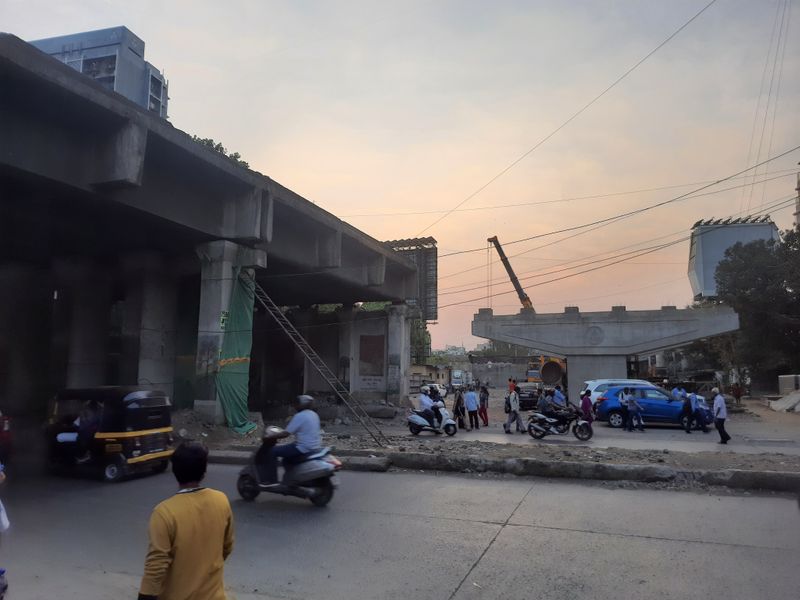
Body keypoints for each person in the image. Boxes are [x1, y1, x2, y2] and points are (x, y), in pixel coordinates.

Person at [138, 442, 234, 600]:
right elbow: (227, 547)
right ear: (204, 472)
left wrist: (145, 596)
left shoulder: (164, 512)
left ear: (175, 471)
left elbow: (157, 564)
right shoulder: (221, 500)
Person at [260, 395, 322, 487]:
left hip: (302, 447)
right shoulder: (314, 415)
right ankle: (291, 479)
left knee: (272, 451)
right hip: (315, 446)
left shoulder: (300, 416)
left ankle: (271, 481)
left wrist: (270, 436)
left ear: (301, 405)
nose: (294, 406)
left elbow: (286, 433)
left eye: (297, 404)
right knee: (286, 459)